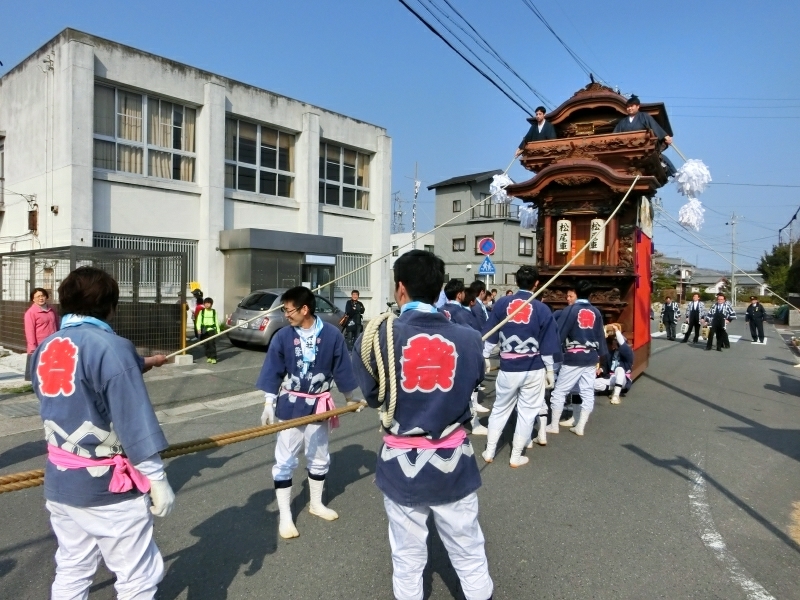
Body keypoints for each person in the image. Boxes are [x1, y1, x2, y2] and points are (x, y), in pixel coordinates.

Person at [352, 250, 493, 600]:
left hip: (402, 465)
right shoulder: (469, 338)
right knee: (469, 551)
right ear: (439, 289)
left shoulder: (377, 337)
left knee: (407, 556)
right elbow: (475, 383)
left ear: (400, 288)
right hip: (453, 462)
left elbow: (373, 396)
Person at [32, 266, 174, 599]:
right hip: (106, 486)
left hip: (61, 482)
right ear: (110, 306)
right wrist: (157, 477)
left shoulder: (46, 347)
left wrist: (145, 362)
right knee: (137, 577)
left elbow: (84, 375)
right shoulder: (112, 346)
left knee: (72, 568)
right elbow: (133, 419)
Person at [256, 286, 358, 539]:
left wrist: (349, 398)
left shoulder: (332, 335)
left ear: (305, 309)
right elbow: (273, 370)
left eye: (289, 310)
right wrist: (268, 403)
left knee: (319, 456)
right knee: (285, 460)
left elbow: (341, 367)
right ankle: (285, 515)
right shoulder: (282, 336)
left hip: (319, 405)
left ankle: (316, 503)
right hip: (290, 405)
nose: (286, 315)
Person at [481, 265, 559, 464]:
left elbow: (490, 334)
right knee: (527, 412)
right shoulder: (542, 309)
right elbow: (547, 344)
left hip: (508, 367)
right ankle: (516, 456)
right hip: (533, 367)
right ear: (536, 283)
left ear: (516, 281)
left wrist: (485, 356)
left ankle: (489, 451)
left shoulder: (502, 303)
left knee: (499, 408)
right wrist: (550, 370)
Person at [547, 280, 608, 436]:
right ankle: (580, 424)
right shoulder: (596, 312)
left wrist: (551, 353)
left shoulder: (570, 310)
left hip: (573, 357)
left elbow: (559, 334)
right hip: (591, 356)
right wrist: (602, 356)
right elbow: (601, 336)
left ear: (576, 293)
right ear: (591, 294)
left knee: (559, 391)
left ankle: (554, 425)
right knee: (586, 391)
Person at [613, 95, 676, 176]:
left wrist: (664, 136)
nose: (629, 108)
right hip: (626, 150)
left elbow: (654, 126)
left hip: (643, 147)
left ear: (638, 106)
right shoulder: (622, 122)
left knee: (661, 158)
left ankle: (674, 173)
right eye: (628, 106)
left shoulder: (644, 116)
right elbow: (615, 135)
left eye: (632, 106)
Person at [24, 287, 59, 381]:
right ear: (33, 299)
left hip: (52, 344)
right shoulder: (30, 313)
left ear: (46, 297)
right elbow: (29, 331)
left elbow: (57, 325)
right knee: (38, 370)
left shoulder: (51, 310)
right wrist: (32, 348)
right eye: (38, 296)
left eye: (42, 296)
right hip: (40, 345)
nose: (41, 298)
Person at [594, 325, 634, 405]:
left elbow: (623, 344)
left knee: (619, 369)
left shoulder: (628, 354)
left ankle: (616, 395)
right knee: (591, 383)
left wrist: (617, 331)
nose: (613, 343)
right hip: (611, 378)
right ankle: (612, 388)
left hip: (622, 379)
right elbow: (605, 366)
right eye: (613, 341)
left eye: (615, 342)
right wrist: (601, 369)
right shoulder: (610, 354)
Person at [196, 297, 220, 364]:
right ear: (204, 304)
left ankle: (213, 357)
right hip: (204, 330)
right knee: (206, 344)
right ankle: (209, 357)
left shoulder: (214, 312)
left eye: (208, 303)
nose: (207, 305)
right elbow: (198, 321)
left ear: (211, 304)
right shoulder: (202, 312)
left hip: (212, 330)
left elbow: (216, 321)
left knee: (211, 344)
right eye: (206, 303)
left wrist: (218, 330)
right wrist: (198, 328)